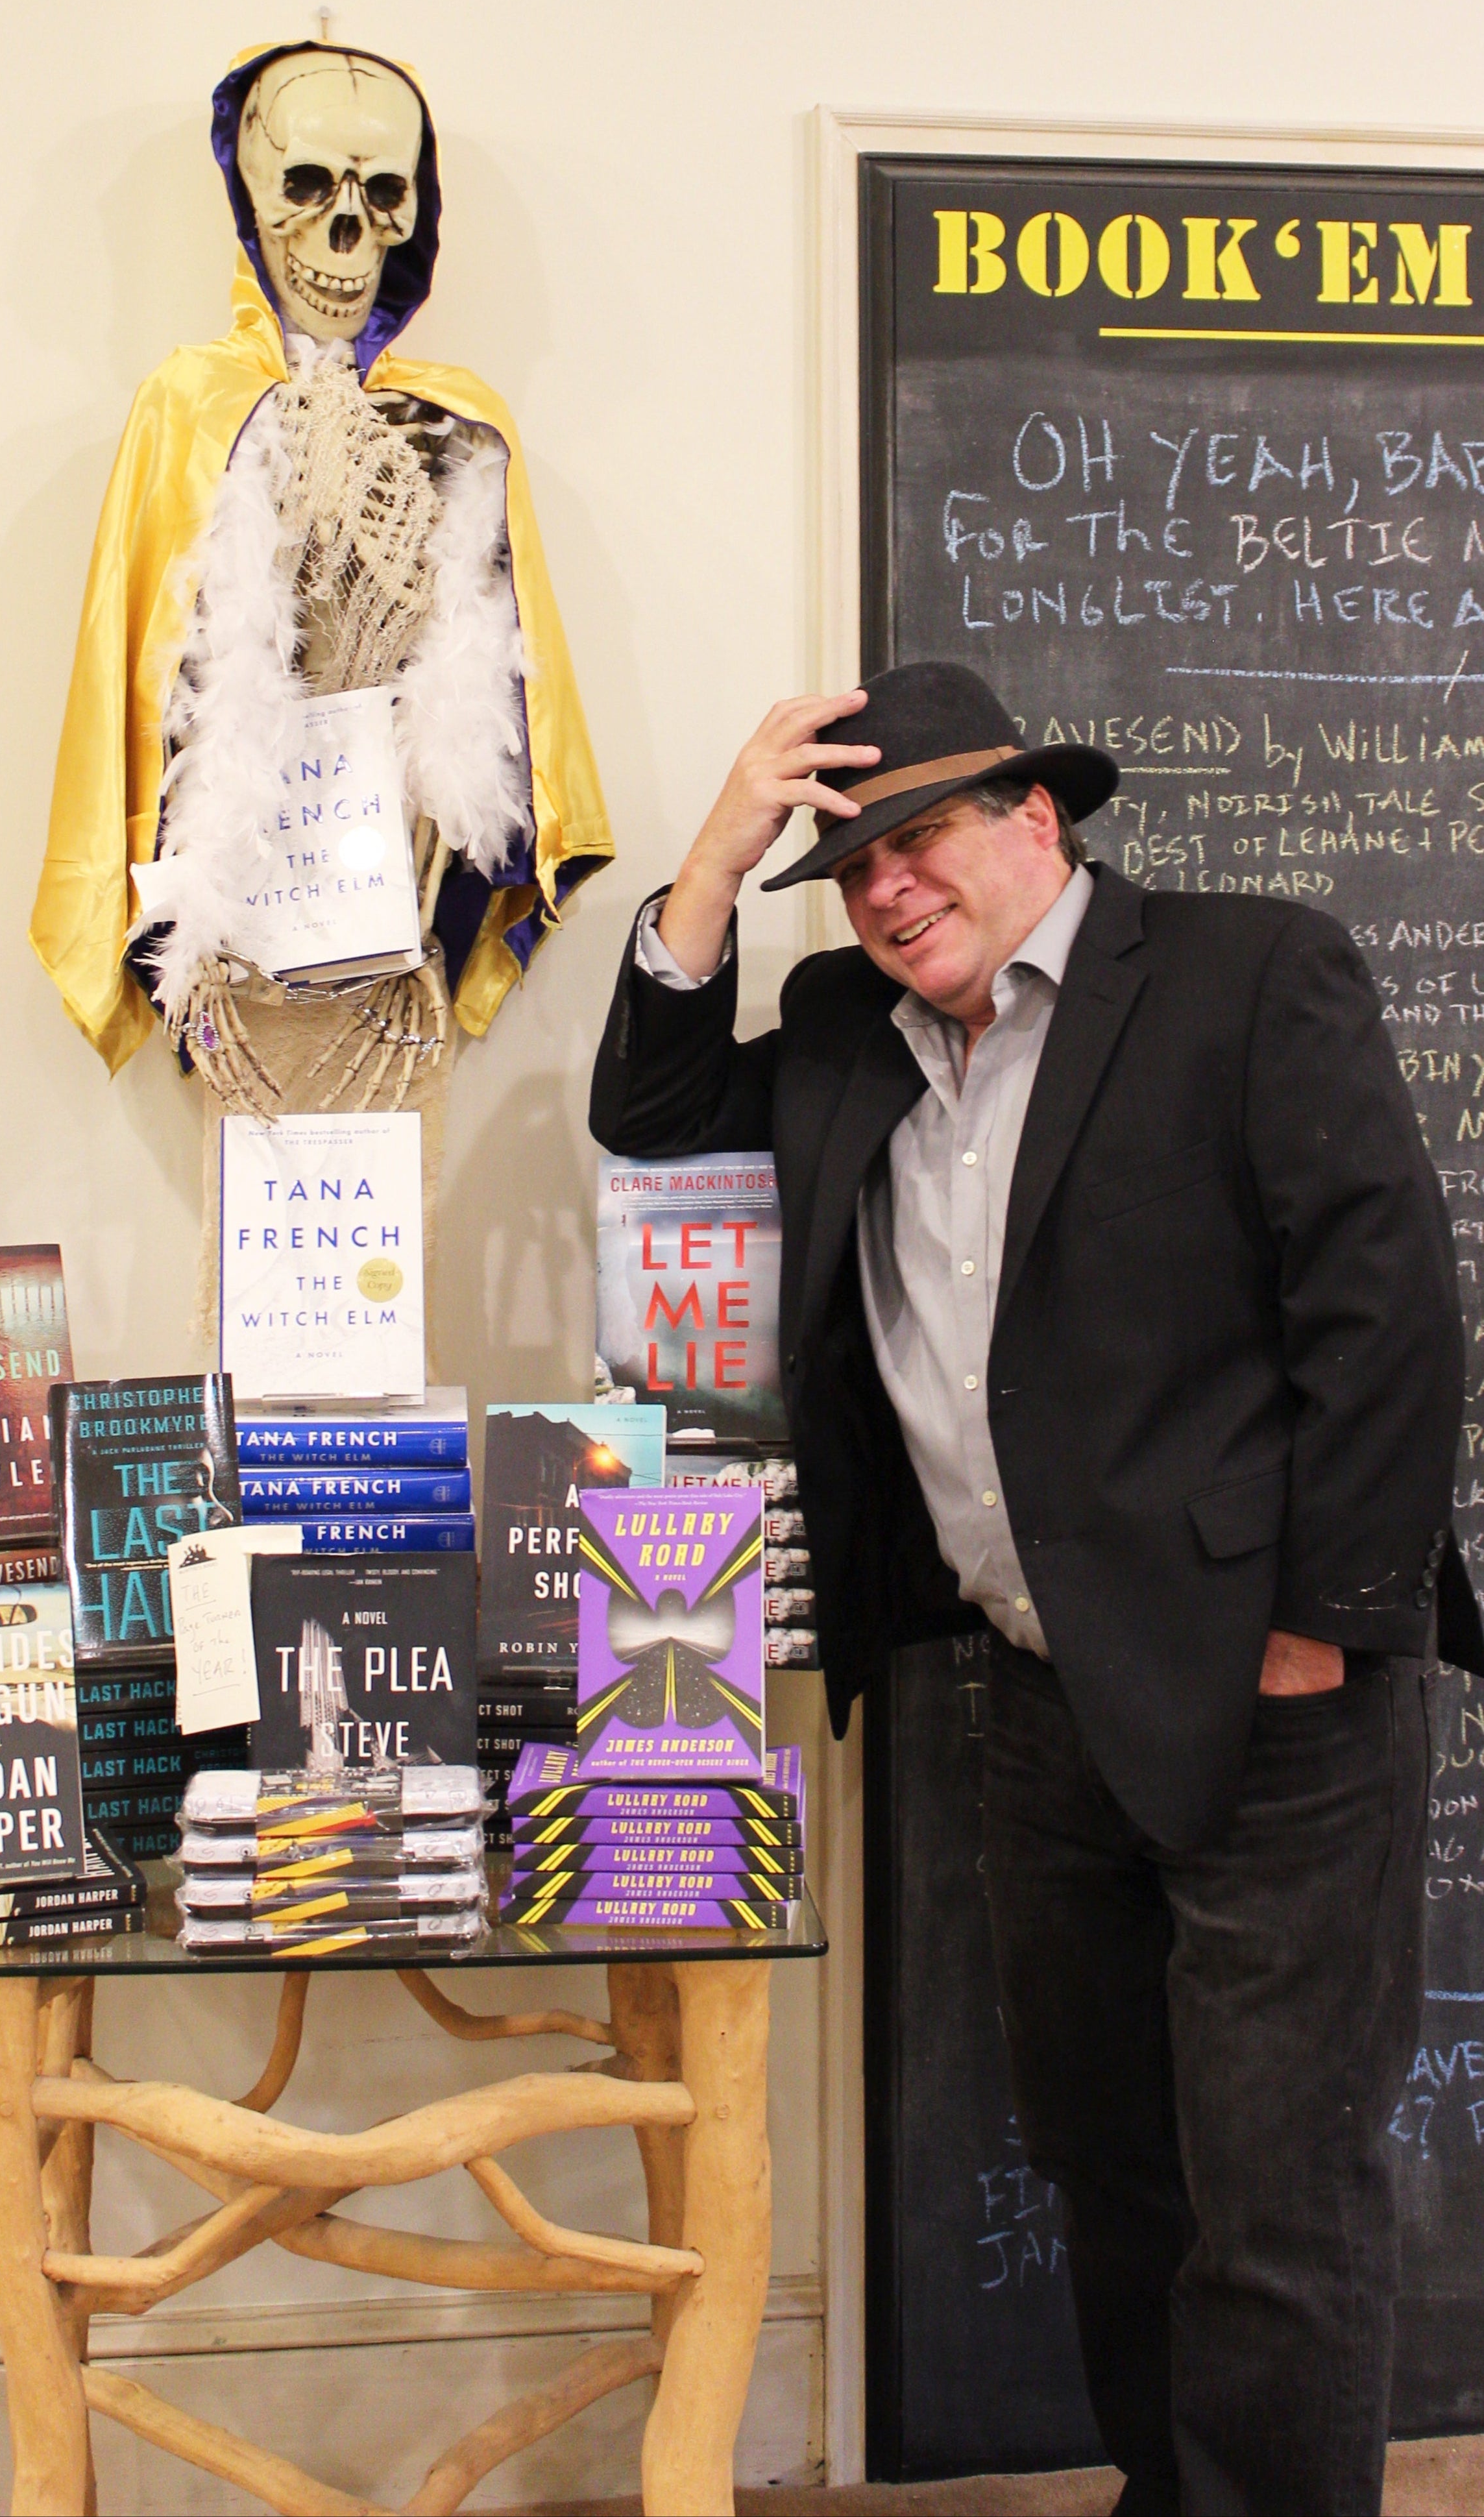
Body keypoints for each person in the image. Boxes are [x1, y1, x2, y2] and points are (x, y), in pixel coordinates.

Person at [589, 659, 1484, 2517]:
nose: (886, 888)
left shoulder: (1248, 973)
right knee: (1109, 2170)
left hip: (1272, 1706)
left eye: (918, 836)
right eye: (851, 867)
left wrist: (1316, 1633)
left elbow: (1387, 1318)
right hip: (1029, 1701)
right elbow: (650, 1112)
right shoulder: (844, 1028)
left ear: (1037, 819)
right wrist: (721, 851)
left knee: (1275, 2201)